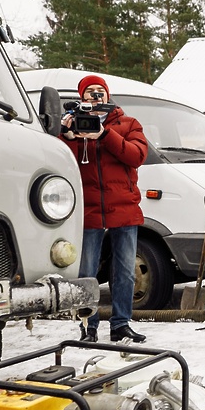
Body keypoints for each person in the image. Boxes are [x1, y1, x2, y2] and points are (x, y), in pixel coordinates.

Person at [59, 75, 148, 343]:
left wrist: (105, 134)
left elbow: (137, 156)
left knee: (124, 271)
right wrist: (66, 135)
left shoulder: (128, 123)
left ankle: (121, 324)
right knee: (87, 271)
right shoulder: (74, 124)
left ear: (108, 95)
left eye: (100, 91)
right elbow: (60, 162)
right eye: (90, 92)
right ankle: (89, 326)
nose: (96, 96)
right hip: (88, 209)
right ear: (81, 97)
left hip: (123, 207)